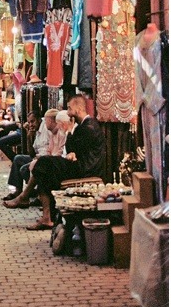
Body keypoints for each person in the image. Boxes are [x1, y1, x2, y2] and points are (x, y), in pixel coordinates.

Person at [17, 95, 106, 230]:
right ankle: (45, 216)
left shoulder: (88, 127)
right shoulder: (86, 126)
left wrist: (69, 131)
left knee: (44, 164)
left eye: (70, 108)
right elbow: (74, 151)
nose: (68, 112)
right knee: (43, 168)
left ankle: (26, 197)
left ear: (78, 109)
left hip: (85, 169)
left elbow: (73, 148)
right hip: (82, 166)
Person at [3, 110, 71, 207]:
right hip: (41, 157)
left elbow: (57, 153)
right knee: (18, 158)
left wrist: (42, 158)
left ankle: (31, 194)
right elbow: (31, 153)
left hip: (48, 159)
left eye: (32, 121)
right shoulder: (42, 132)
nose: (30, 124)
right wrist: (29, 135)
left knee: (28, 168)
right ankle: (19, 191)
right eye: (29, 122)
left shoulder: (50, 130)